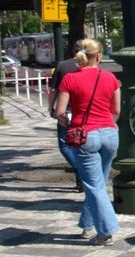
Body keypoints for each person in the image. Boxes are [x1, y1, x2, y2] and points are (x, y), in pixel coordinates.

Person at [55, 39, 121, 246]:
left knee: (93, 186)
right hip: (110, 134)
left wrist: (68, 122)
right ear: (99, 56)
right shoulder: (110, 77)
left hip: (85, 136)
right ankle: (87, 224)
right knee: (98, 183)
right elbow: (116, 110)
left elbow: (59, 111)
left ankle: (105, 232)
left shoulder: (69, 79)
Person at [48, 40, 83, 192]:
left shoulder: (62, 66)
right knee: (82, 143)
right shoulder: (90, 66)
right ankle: (83, 174)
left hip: (67, 112)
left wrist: (51, 108)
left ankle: (79, 170)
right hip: (85, 111)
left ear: (73, 50)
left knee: (65, 145)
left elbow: (53, 90)